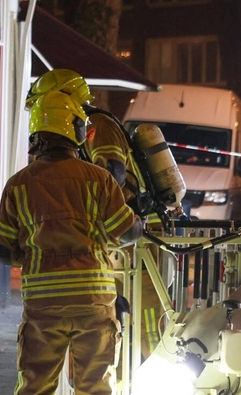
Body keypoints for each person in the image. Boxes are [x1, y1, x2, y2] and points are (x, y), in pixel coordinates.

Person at [0, 91, 143, 395]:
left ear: (38, 133)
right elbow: (126, 232)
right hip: (93, 304)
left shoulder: (20, 184)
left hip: (43, 307)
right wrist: (139, 216)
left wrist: (32, 255)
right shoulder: (97, 179)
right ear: (74, 130)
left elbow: (0, 248)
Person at [25, 68, 164, 360]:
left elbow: (113, 172)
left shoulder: (97, 122)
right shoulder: (79, 129)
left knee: (147, 317)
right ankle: (123, 384)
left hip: (143, 235)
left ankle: (157, 370)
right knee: (116, 314)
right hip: (118, 235)